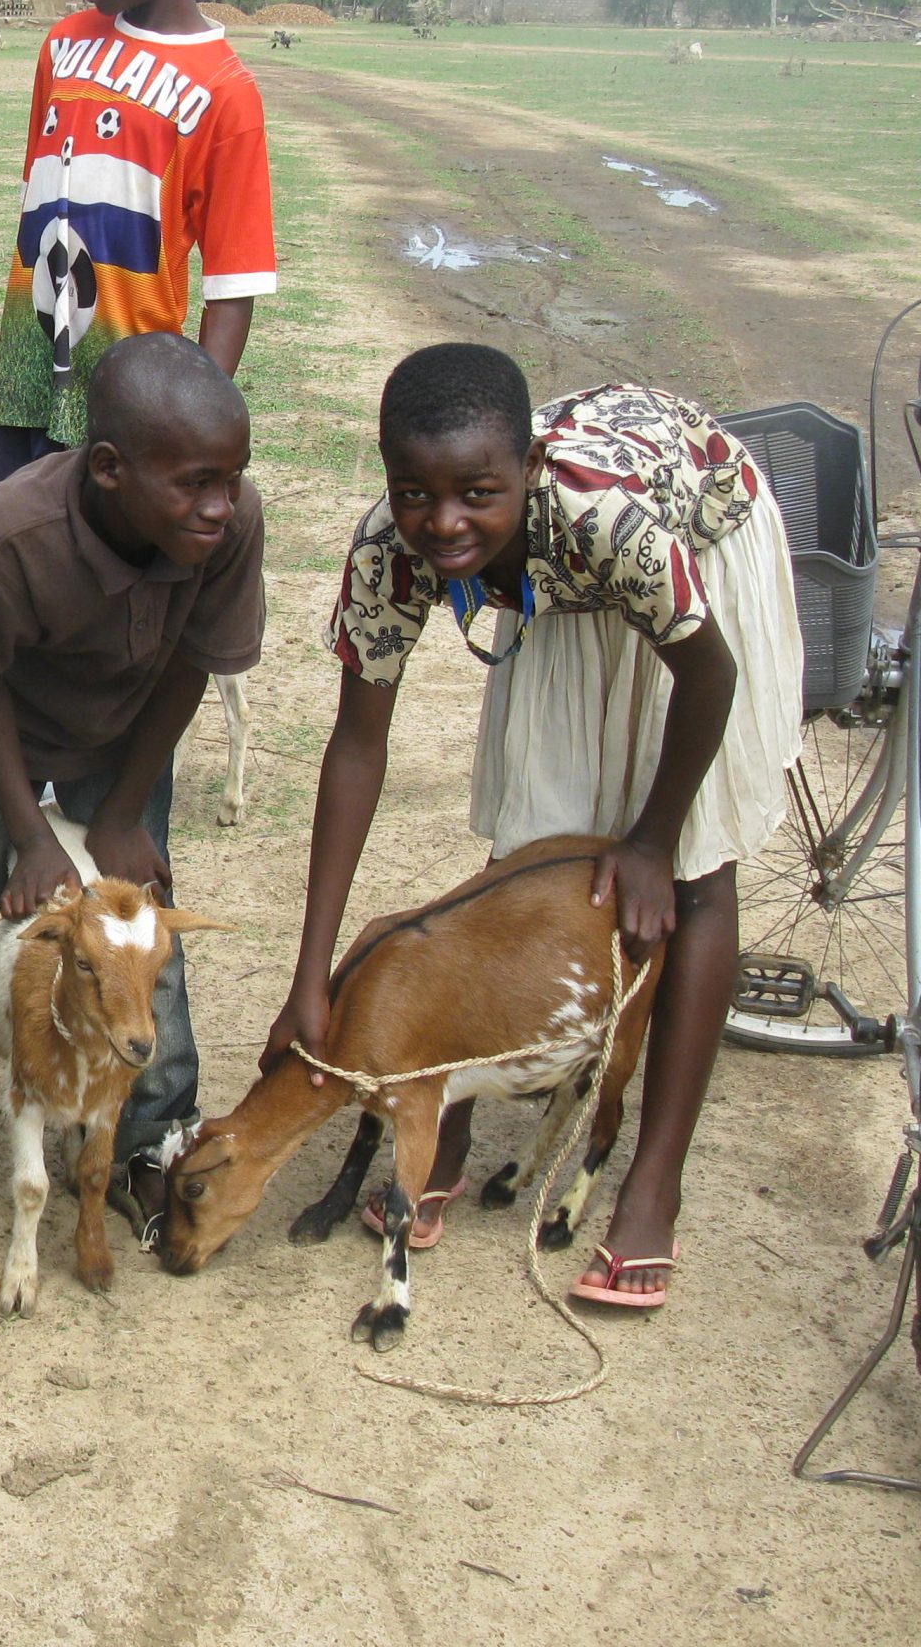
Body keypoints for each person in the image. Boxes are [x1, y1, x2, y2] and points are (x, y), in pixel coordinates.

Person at [266, 347, 801, 1307]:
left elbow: (708, 678)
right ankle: (455, 1129)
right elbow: (356, 745)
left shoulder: (606, 522)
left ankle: (653, 1184)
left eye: (476, 492)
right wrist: (311, 979)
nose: (442, 522)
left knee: (689, 870)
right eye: (414, 493)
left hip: (692, 545)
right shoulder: (391, 548)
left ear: (528, 473)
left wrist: (648, 839)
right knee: (533, 846)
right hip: (546, 584)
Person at [0, 335, 263, 1254]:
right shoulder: (17, 533)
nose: (221, 505)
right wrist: (30, 836)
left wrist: (120, 813)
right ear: (109, 469)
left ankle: (151, 1136)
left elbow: (194, 663)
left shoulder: (227, 523)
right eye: (195, 484)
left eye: (232, 478)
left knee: (144, 924)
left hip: (125, 732)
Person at [0, 0, 274, 504]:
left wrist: (190, 427)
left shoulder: (225, 90)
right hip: (25, 375)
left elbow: (234, 282)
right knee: (5, 547)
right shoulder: (65, 44)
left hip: (126, 395)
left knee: (99, 576)